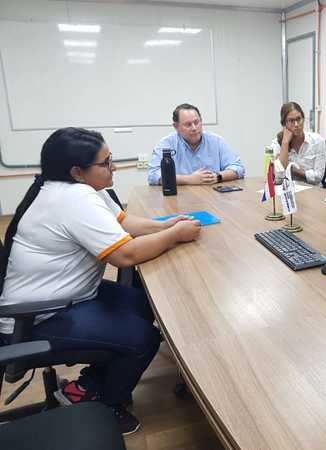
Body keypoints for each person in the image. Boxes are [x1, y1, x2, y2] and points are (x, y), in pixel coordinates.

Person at [0, 128, 202, 435]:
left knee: (145, 306)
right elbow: (125, 255)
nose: (114, 167)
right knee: (142, 339)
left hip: (69, 297)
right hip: (37, 316)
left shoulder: (79, 189)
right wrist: (174, 236)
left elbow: (125, 223)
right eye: (106, 163)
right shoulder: (73, 199)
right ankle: (107, 403)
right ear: (77, 172)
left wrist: (167, 223)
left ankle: (85, 386)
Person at [147, 103, 245, 185]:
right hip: (179, 198)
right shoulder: (166, 144)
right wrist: (189, 179)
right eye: (188, 124)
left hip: (212, 197)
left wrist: (218, 176)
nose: (194, 128)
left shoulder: (216, 141)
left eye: (196, 122)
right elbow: (153, 175)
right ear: (176, 126)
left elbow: (238, 168)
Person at [269, 102, 326, 185]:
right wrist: (285, 143)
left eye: (298, 119)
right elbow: (278, 177)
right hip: (288, 192)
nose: (296, 124)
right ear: (284, 124)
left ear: (303, 119)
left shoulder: (317, 141)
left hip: (313, 191)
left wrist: (291, 168)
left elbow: (318, 177)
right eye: (291, 121)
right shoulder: (277, 144)